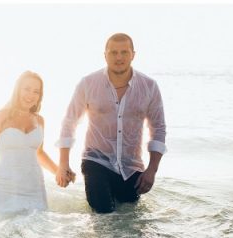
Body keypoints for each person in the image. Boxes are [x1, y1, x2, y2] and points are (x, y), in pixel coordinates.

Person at [55, 33, 167, 213]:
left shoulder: (149, 87)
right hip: (95, 161)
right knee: (104, 215)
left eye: (124, 52)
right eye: (113, 52)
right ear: (105, 55)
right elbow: (69, 122)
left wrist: (152, 170)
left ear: (133, 55)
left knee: (129, 219)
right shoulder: (88, 83)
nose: (119, 57)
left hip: (131, 167)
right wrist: (63, 164)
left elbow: (158, 129)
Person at [0, 71, 67, 214]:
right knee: (4, 233)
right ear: (17, 90)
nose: (30, 95)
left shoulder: (39, 120)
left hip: (35, 189)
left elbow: (38, 153)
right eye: (26, 89)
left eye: (36, 91)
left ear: (40, 96)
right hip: (4, 188)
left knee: (37, 233)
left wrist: (58, 172)